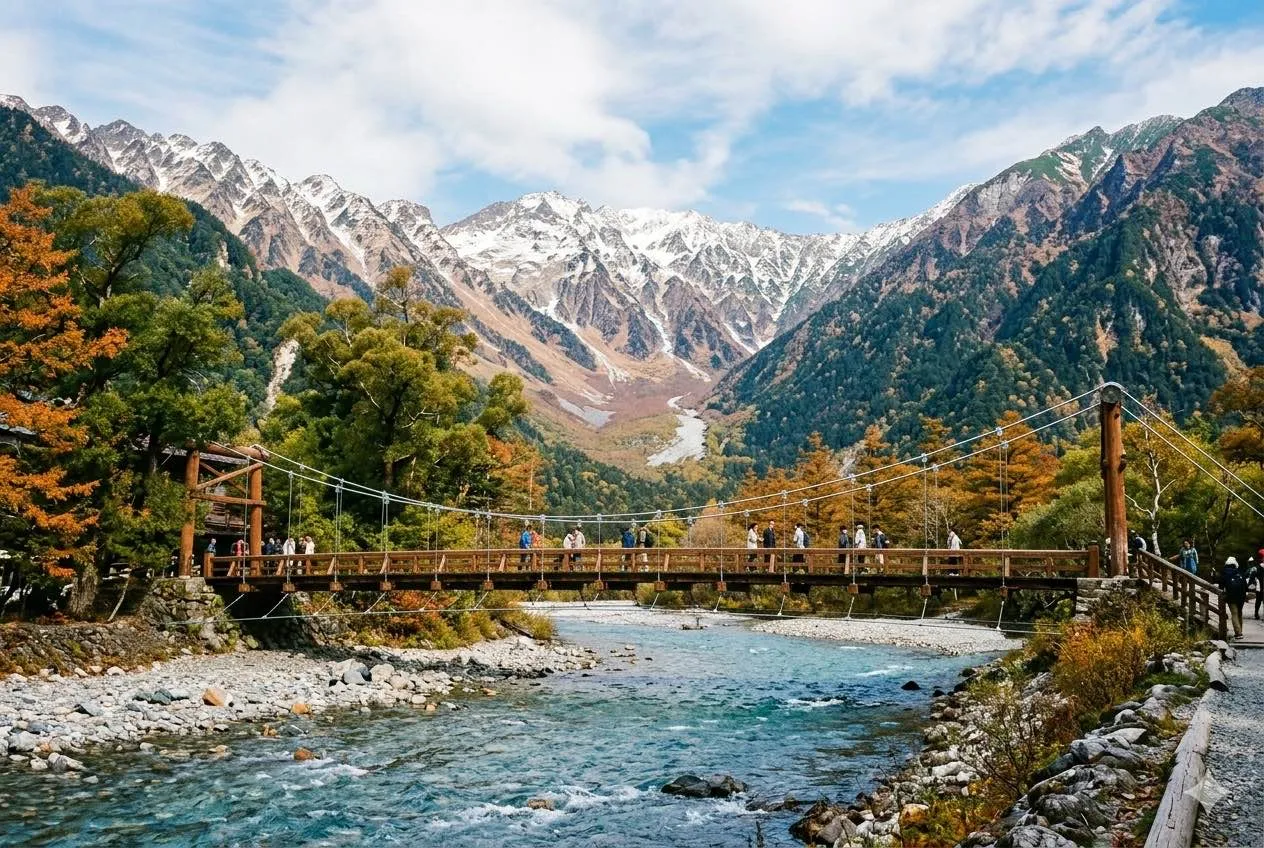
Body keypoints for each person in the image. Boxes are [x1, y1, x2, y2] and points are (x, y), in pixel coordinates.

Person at [1220, 557, 1248, 638]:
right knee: (1240, 613)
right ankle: (1240, 630)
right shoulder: (1239, 571)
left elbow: (1221, 585)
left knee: (1234, 613)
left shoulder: (1224, 572)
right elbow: (1245, 584)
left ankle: (1238, 633)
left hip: (1231, 595)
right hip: (1241, 595)